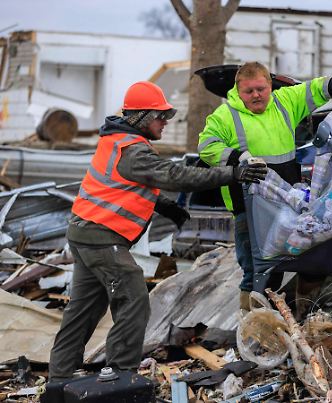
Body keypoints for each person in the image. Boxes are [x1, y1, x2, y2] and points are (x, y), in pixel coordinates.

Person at [48, 81, 267, 381]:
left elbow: (125, 188)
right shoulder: (133, 151)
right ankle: (120, 375)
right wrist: (234, 174)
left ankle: (60, 376)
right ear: (140, 117)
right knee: (134, 297)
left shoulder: (118, 141)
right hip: (101, 237)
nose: (165, 122)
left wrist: (164, 206)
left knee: (84, 309)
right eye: (159, 116)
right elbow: (176, 175)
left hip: (86, 233)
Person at [198, 62, 332, 316]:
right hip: (248, 209)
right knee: (259, 272)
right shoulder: (224, 115)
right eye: (249, 91)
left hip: (289, 204)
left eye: (261, 89)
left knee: (312, 261)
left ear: (270, 87)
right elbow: (207, 147)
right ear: (237, 90)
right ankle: (255, 328)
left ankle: (299, 317)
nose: (256, 95)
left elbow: (314, 89)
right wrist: (237, 158)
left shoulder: (284, 101)